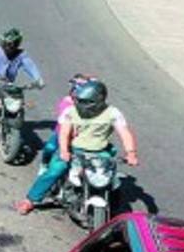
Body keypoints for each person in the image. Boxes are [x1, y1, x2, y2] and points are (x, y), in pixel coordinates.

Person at [16, 79, 139, 215]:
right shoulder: (71, 111)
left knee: (112, 180)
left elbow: (124, 133)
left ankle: (113, 211)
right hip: (74, 150)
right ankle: (31, 199)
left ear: (98, 100)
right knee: (56, 170)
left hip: (100, 153)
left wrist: (131, 153)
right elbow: (64, 133)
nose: (80, 104)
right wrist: (64, 150)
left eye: (84, 102)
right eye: (79, 100)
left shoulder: (113, 113)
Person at [38, 73, 92, 168]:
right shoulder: (67, 101)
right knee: (50, 148)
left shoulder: (91, 105)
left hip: (80, 136)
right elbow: (62, 118)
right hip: (61, 132)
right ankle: (44, 164)